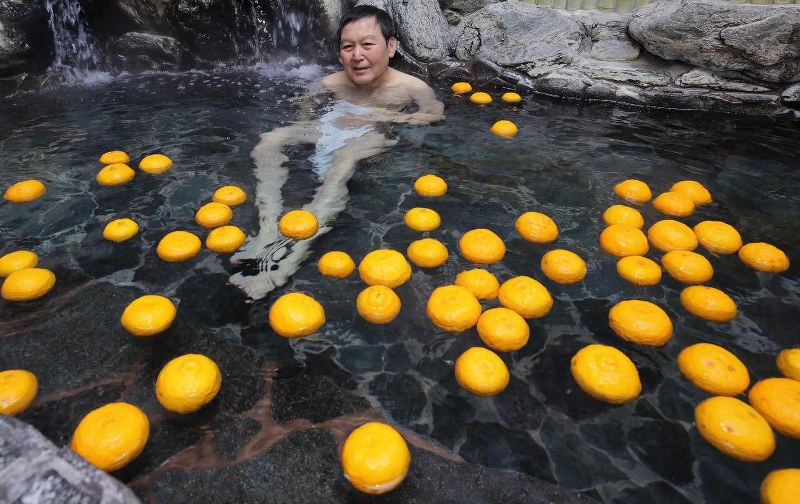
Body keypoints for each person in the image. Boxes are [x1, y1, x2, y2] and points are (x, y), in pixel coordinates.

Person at [230, 5, 445, 300]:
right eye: (348, 47)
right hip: (332, 124)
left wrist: (386, 117)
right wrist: (305, 130)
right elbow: (305, 112)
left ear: (391, 46)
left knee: (343, 161)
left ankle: (290, 254)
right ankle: (267, 228)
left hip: (373, 133)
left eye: (367, 44)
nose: (357, 55)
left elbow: (433, 114)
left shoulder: (411, 87)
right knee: (269, 140)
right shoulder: (330, 83)